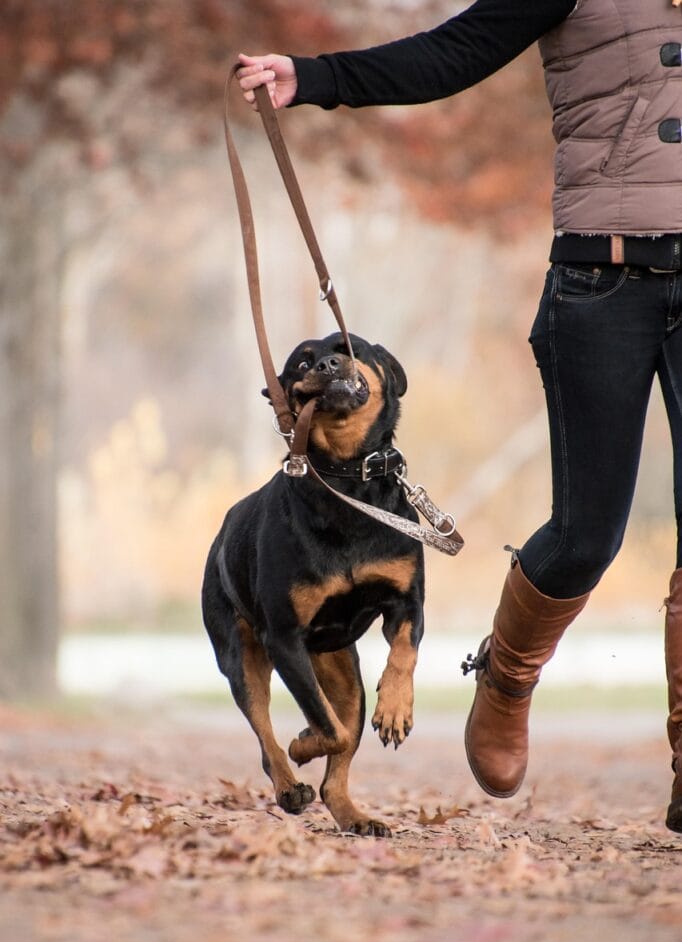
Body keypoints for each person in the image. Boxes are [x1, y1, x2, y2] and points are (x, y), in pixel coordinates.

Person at [237, 0, 682, 834]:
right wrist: (317, 78)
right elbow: (455, 53)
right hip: (603, 284)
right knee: (587, 535)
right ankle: (507, 676)